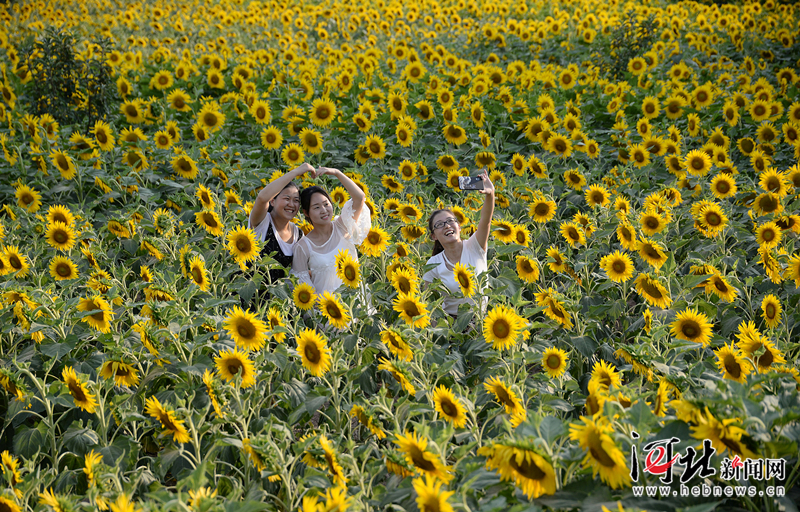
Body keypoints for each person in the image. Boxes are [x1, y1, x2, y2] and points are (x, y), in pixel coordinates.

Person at [423, 170, 495, 317]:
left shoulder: (475, 246)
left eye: (451, 221)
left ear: (459, 226)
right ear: (433, 236)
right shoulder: (433, 263)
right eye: (440, 224)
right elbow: (430, 305)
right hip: (450, 327)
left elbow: (486, 220)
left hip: (479, 322)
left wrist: (490, 194)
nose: (447, 226)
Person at [291, 166, 371, 294]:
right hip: (327, 309)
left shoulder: (342, 227)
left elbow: (359, 198)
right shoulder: (303, 247)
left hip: (357, 305)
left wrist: (337, 172)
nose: (324, 210)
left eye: (326, 204)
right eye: (316, 207)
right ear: (306, 212)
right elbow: (303, 286)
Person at [249, 162, 314, 285]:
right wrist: (296, 172)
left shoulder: (298, 234)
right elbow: (262, 197)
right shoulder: (262, 222)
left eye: (296, 200)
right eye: (286, 198)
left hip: (277, 300)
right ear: (272, 201)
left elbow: (300, 271)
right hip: (250, 296)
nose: (291, 204)